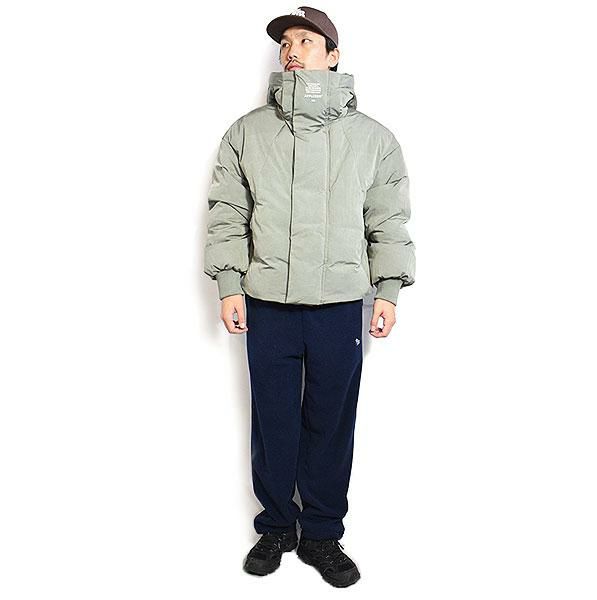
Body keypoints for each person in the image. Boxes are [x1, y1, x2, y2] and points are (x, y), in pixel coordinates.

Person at [203, 6, 415, 588]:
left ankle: (321, 533)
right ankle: (276, 526)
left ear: (333, 55)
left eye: (305, 40)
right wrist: (229, 283)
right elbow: (228, 212)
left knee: (331, 422)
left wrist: (388, 290)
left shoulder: (374, 139)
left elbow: (388, 220)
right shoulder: (248, 132)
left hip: (341, 305)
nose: (291, 50)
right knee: (273, 420)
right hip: (267, 303)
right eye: (285, 43)